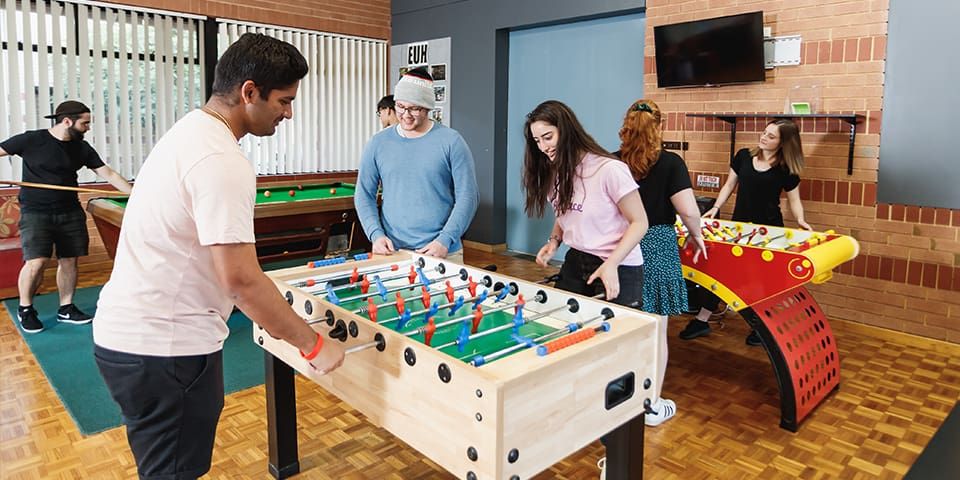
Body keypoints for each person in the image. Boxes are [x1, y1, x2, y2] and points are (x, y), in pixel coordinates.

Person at [92, 33, 345, 479]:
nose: (288, 113)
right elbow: (241, 280)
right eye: (284, 101)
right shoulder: (220, 158)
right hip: (166, 351)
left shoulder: (188, 131)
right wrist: (313, 343)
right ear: (249, 92)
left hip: (132, 341)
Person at [0, 100, 132, 334]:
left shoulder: (81, 148)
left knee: (69, 261)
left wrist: (136, 194)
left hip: (69, 211)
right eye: (85, 123)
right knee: (36, 262)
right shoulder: (31, 140)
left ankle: (66, 307)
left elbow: (108, 173)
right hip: (35, 212)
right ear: (67, 121)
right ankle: (26, 308)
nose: (88, 127)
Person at [614, 99, 707, 427]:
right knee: (656, 330)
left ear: (626, 125)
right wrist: (697, 235)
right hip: (657, 247)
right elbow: (689, 211)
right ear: (660, 126)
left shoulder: (612, 163)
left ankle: (617, 398)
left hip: (619, 247)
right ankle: (650, 405)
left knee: (620, 328)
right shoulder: (671, 163)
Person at [680, 118, 809, 346]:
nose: (763, 137)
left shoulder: (786, 168)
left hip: (768, 232)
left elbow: (794, 200)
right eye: (764, 132)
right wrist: (716, 208)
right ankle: (702, 320)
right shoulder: (743, 156)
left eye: (771, 136)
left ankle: (759, 328)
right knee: (721, 273)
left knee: (759, 281)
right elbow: (729, 185)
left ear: (783, 142)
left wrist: (800, 220)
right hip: (739, 228)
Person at [523, 99, 648, 324]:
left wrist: (611, 264)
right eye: (537, 141)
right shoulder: (556, 171)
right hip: (577, 259)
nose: (543, 147)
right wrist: (554, 241)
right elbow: (567, 212)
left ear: (567, 131)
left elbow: (640, 222)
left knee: (612, 340)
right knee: (563, 326)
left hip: (619, 264)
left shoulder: (610, 169)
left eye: (548, 137)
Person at [355, 66, 478, 263]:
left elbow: (468, 197)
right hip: (392, 250)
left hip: (442, 250)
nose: (406, 114)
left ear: (428, 108)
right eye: (401, 107)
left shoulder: (452, 141)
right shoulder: (378, 143)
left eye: (415, 108)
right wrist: (375, 234)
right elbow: (363, 194)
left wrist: (445, 240)